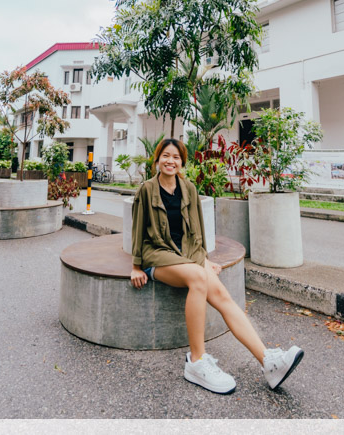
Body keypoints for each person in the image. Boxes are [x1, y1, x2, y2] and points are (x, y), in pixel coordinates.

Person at [129, 138, 304, 394]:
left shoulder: (188, 188)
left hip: (188, 255)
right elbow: (137, 230)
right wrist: (136, 266)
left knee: (222, 294)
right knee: (199, 279)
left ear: (182, 162)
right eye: (166, 156)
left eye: (176, 157)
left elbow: (198, 231)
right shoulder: (146, 189)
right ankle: (197, 362)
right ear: (157, 160)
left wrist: (204, 259)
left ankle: (268, 361)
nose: (170, 161)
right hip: (158, 254)